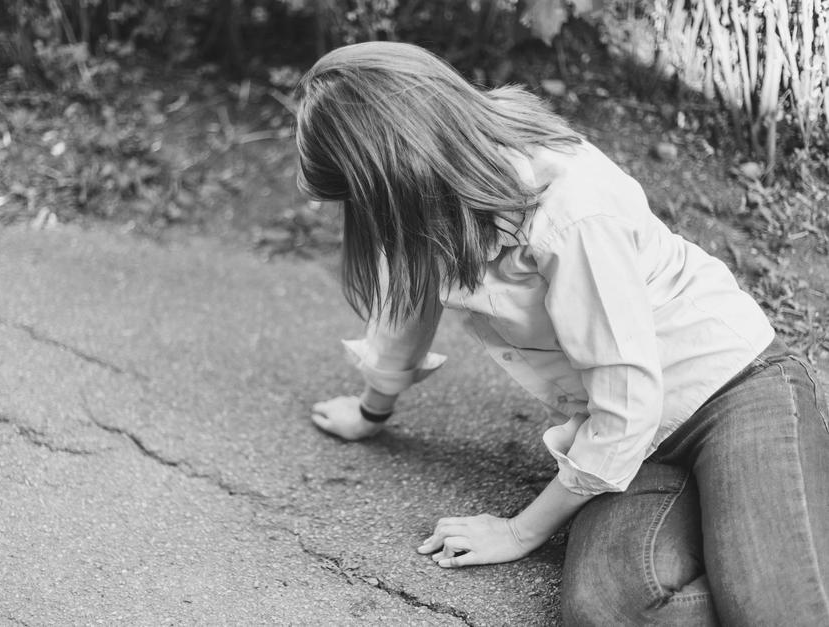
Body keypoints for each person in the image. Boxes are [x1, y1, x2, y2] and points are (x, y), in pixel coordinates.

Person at [297, 41, 829, 625]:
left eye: (357, 200)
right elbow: (407, 303)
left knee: (775, 610)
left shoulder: (569, 209)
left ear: (394, 176)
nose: (359, 220)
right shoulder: (434, 202)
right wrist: (372, 411)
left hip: (733, 389)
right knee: (614, 612)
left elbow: (627, 401)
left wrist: (519, 531)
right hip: (637, 436)